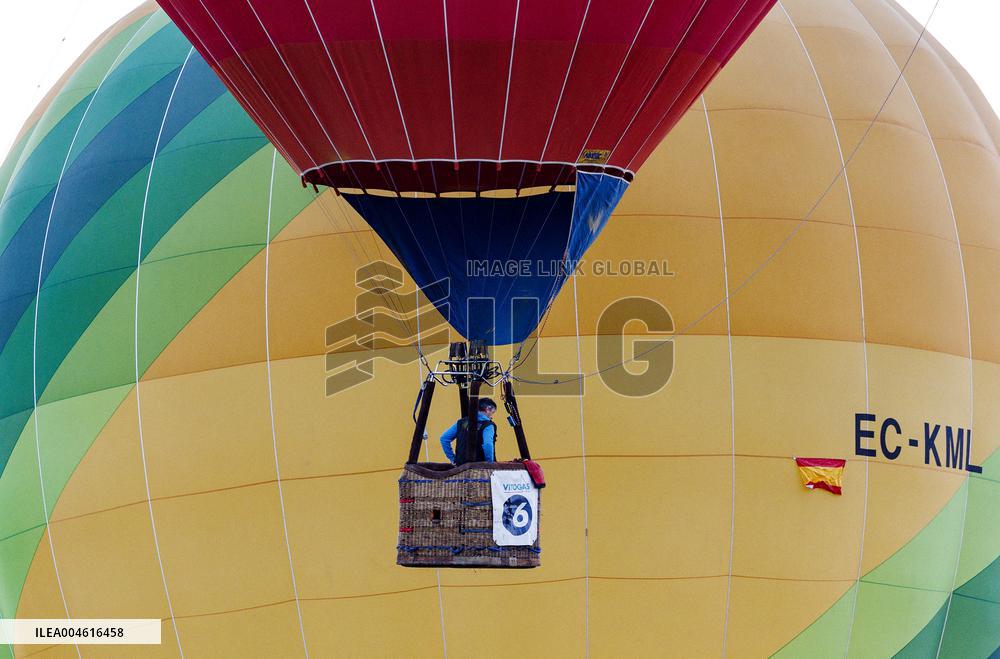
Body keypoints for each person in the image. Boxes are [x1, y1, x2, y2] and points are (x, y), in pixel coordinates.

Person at [440, 398, 498, 465]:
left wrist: (453, 459)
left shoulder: (462, 422)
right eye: (492, 413)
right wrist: (489, 464)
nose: (491, 417)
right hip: (480, 468)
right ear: (488, 409)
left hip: (460, 467)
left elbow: (444, 438)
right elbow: (487, 444)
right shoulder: (488, 425)